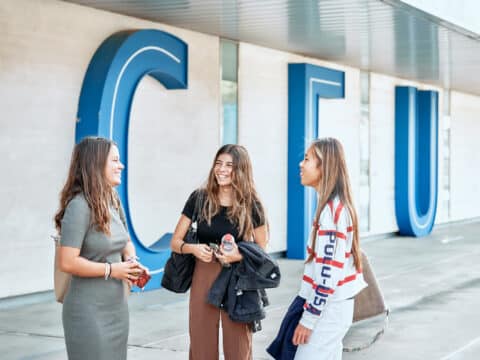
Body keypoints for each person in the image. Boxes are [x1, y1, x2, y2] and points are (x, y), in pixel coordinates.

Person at [268, 138, 367, 360]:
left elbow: (327, 274)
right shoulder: (331, 207)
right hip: (331, 309)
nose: (300, 165)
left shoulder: (332, 212)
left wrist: (309, 319)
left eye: (307, 159)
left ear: (324, 166)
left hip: (328, 312)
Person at [170, 144, 268, 360]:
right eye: (218, 163)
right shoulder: (199, 198)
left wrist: (239, 255)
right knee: (201, 343)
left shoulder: (252, 204)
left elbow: (262, 249)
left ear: (241, 170)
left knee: (238, 347)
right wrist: (192, 248)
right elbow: (175, 242)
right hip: (204, 274)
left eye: (229, 165)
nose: (221, 169)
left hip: (238, 279)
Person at [54, 136, 143, 360]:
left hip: (117, 307)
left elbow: (126, 241)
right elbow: (67, 261)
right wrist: (112, 270)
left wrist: (131, 262)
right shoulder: (79, 206)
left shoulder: (112, 200)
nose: (121, 165)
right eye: (115, 160)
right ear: (96, 163)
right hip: (87, 312)